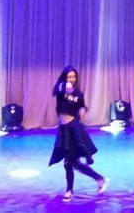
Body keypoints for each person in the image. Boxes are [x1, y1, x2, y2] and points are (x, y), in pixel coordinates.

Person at [49, 65, 109, 202]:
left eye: (74, 77)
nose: (72, 79)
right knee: (75, 163)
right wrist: (65, 85)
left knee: (68, 163)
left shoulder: (78, 94)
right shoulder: (60, 89)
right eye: (69, 76)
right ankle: (100, 179)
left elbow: (82, 105)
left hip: (74, 129)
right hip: (63, 130)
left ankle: (69, 190)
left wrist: (83, 109)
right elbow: (56, 89)